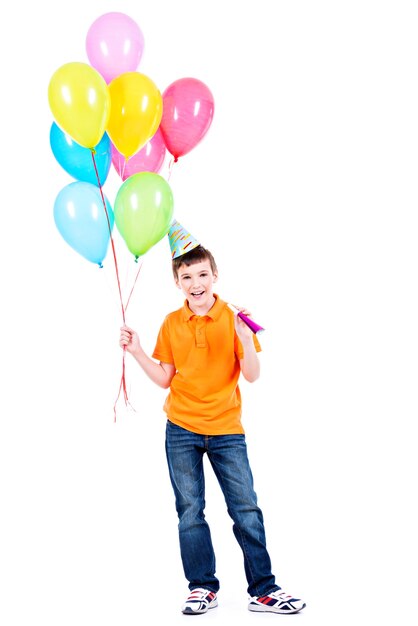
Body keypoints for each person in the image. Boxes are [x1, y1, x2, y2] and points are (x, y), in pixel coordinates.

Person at [119, 243, 306, 615]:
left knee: (246, 508)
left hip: (226, 429)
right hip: (181, 429)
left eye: (202, 274)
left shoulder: (234, 317)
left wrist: (243, 338)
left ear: (214, 276)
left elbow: (252, 375)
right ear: (177, 282)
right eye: (186, 277)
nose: (196, 283)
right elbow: (163, 379)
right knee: (189, 510)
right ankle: (202, 586)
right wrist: (138, 350)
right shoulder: (172, 323)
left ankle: (263, 589)